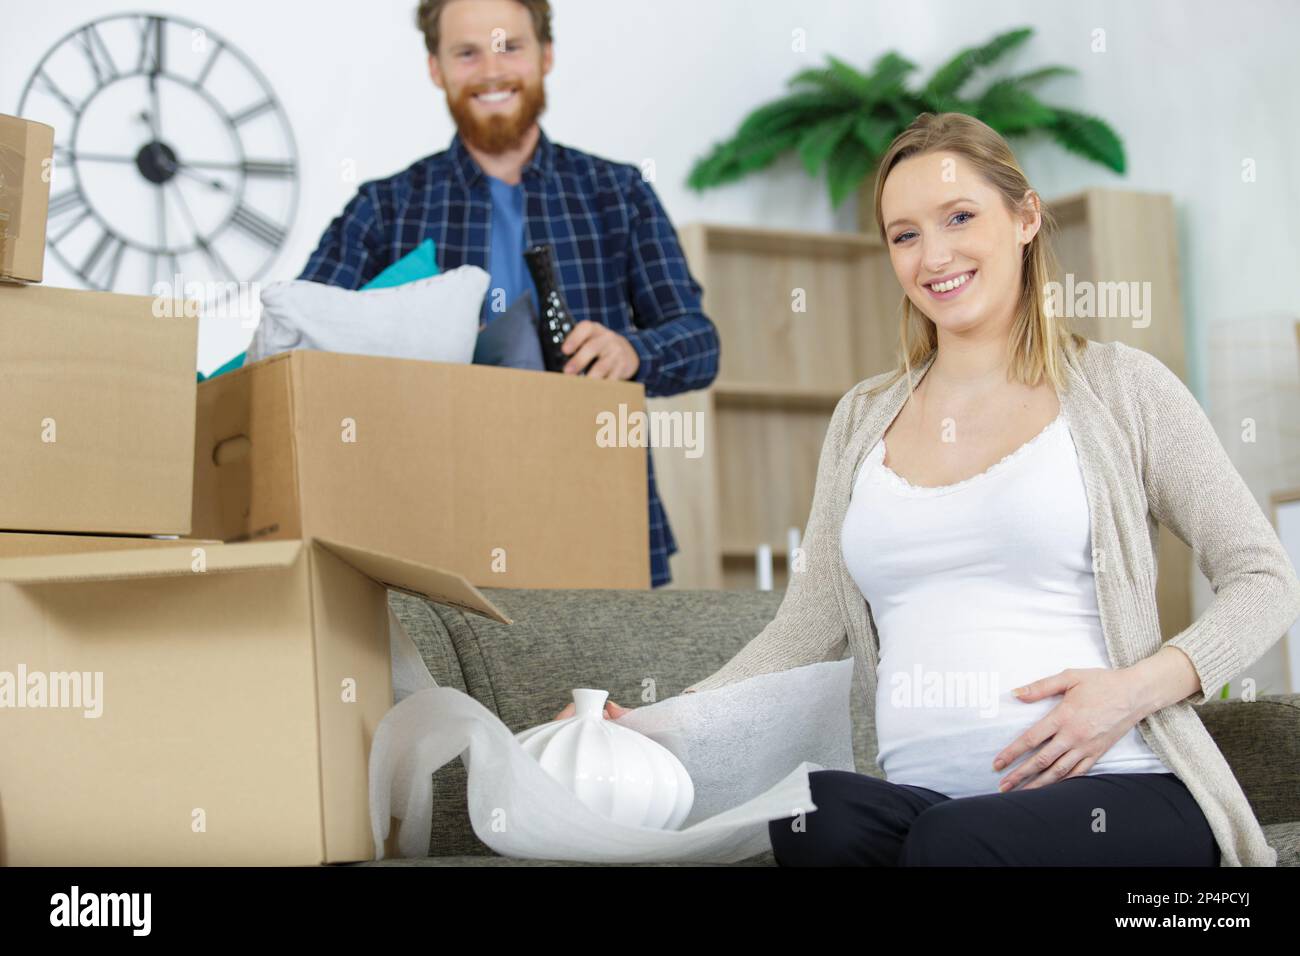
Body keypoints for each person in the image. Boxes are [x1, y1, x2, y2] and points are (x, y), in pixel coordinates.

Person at [562, 112, 1300, 866]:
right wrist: (650, 725)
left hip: (1123, 784)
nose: (933, 255)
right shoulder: (862, 418)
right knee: (811, 815)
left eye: (959, 217)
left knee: (953, 841)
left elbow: (1264, 579)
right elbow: (801, 630)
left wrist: (1135, 690)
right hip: (933, 808)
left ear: (1025, 217)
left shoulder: (1123, 388)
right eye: (905, 234)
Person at [298, 0, 719, 588]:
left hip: (598, 512)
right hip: (426, 525)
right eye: (467, 52)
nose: (492, 71)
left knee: (609, 684)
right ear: (435, 69)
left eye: (510, 47)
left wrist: (633, 353)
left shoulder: (618, 193)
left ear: (546, 55)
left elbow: (700, 345)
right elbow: (299, 343)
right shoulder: (383, 207)